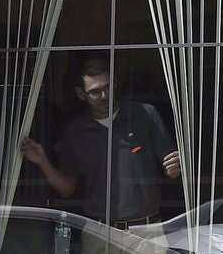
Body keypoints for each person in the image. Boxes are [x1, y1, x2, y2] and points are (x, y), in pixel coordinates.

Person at [21, 57, 181, 233]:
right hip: (98, 233)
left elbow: (172, 168)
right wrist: (42, 161)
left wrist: (176, 167)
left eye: (108, 87)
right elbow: (67, 189)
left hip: (147, 231)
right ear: (81, 94)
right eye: (95, 92)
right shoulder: (75, 132)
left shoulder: (145, 115)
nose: (105, 96)